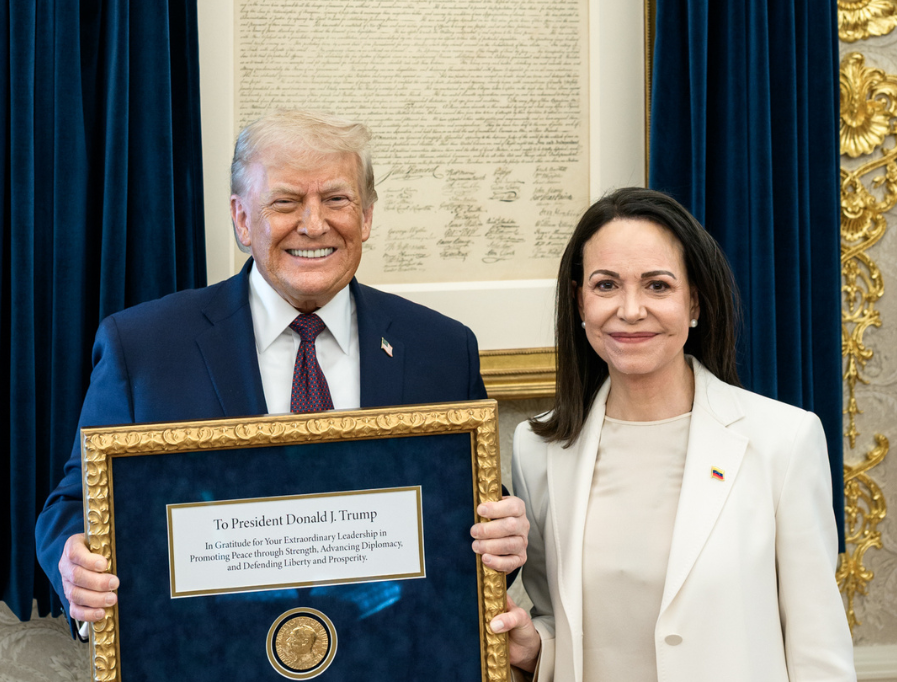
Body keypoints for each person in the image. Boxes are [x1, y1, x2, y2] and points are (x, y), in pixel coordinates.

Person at [34, 110, 528, 627]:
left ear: (366, 216)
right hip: (209, 655)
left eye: (336, 200)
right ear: (242, 219)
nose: (313, 224)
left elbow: (470, 513)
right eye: (286, 202)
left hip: (393, 653)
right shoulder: (144, 348)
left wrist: (503, 537)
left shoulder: (441, 349)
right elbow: (76, 503)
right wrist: (75, 563)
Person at [490, 188, 861, 682]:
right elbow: (561, 620)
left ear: (696, 303)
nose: (630, 310)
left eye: (657, 285)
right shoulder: (539, 448)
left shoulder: (784, 440)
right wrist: (533, 650)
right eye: (606, 285)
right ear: (579, 303)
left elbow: (820, 656)